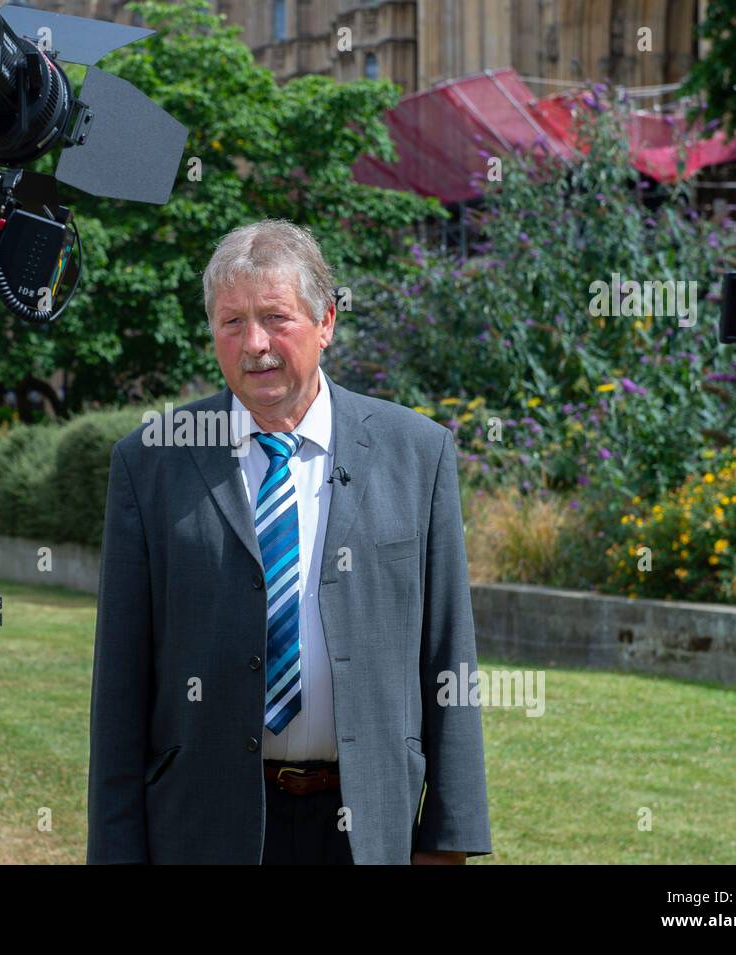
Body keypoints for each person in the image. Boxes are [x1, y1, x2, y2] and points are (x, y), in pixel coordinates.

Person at [87, 219, 491, 864]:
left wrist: (449, 841)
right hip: (204, 829)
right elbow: (120, 681)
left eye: (276, 318)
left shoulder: (417, 452)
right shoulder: (150, 462)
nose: (255, 344)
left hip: (367, 830)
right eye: (231, 322)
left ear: (326, 321)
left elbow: (449, 655)